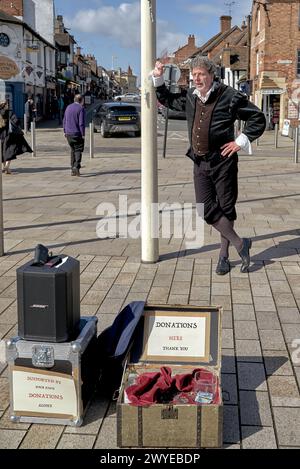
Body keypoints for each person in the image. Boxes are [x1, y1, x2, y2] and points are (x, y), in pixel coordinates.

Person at [153, 57, 266, 274]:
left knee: (226, 207)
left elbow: (257, 118)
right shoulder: (190, 96)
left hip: (223, 163)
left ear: (212, 75)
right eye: (194, 74)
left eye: (201, 74)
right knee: (204, 207)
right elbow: (167, 99)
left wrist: (239, 142)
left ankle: (223, 256)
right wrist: (158, 78)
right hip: (200, 161)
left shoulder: (230, 96)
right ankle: (241, 244)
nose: (197, 78)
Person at [0, 100, 33, 174]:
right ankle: (7, 167)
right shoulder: (9, 112)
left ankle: (3, 167)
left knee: (2, 151)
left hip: (1, 136)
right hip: (9, 135)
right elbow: (16, 121)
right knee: (10, 150)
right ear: (5, 105)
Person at [63, 94, 86, 176]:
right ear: (81, 100)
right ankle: (76, 166)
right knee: (78, 150)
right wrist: (83, 133)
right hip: (77, 133)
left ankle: (72, 169)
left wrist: (65, 131)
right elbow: (81, 123)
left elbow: (64, 120)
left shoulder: (68, 107)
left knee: (73, 150)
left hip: (68, 133)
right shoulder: (81, 108)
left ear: (74, 99)